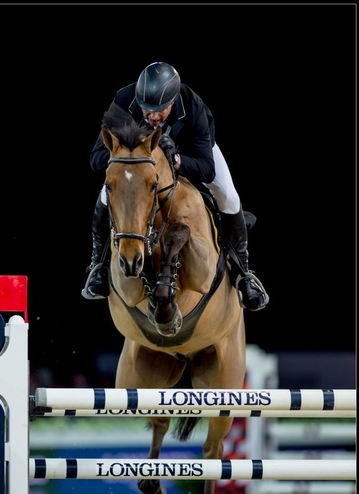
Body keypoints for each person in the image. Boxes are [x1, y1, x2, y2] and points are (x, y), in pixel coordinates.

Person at [83, 61, 269, 311]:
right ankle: (98, 266)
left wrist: (177, 159)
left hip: (190, 153)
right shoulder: (125, 100)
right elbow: (96, 158)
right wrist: (128, 154)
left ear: (173, 101)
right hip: (141, 162)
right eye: (146, 109)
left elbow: (207, 168)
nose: (152, 116)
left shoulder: (193, 106)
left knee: (229, 197)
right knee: (106, 196)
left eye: (160, 110)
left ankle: (243, 274)